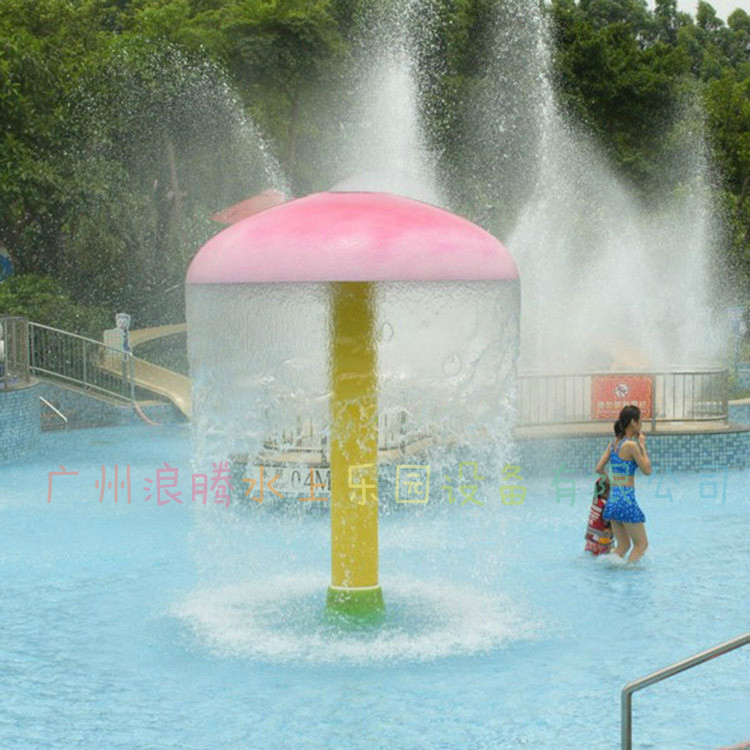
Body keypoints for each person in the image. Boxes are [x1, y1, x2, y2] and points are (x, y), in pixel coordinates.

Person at [595, 404, 652, 562]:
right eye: (640, 420)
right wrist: (643, 446)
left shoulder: (613, 445)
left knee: (623, 547)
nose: (642, 424)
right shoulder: (631, 445)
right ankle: (630, 576)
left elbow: (599, 468)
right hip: (626, 500)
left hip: (613, 500)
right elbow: (647, 470)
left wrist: (611, 482)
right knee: (641, 545)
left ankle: (609, 567)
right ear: (633, 422)